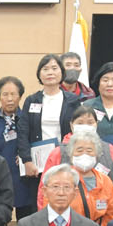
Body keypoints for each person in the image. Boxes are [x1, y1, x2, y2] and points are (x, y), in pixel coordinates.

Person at [37, 108, 113, 217]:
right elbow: (44, 190)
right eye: (80, 123)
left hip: (104, 219)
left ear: (96, 124)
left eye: (90, 122)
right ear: (72, 125)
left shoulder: (110, 150)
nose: (85, 126)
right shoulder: (58, 152)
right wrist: (44, 220)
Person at [19, 54, 81, 189]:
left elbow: (78, 131)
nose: (50, 72)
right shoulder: (32, 100)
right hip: (38, 163)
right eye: (45, 69)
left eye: (54, 68)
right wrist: (27, 160)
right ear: (39, 74)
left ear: (62, 72)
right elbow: (23, 131)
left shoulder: (72, 100)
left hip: (65, 159)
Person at [0, 76, 38, 222]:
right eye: (5, 94)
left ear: (20, 96)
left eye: (14, 94)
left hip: (24, 177)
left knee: (26, 221)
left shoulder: (29, 118)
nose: (10, 99)